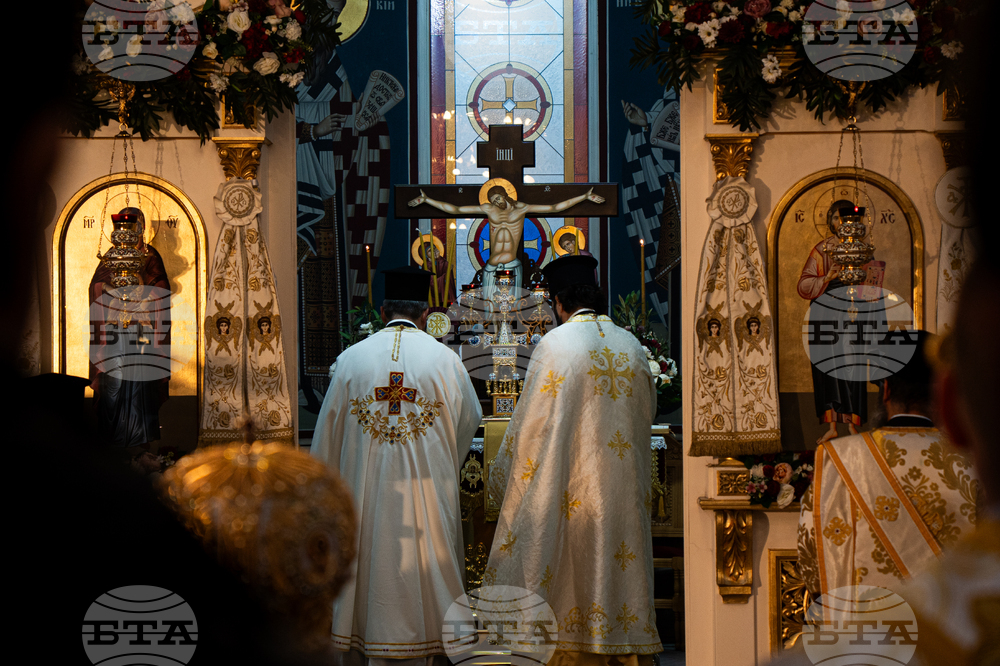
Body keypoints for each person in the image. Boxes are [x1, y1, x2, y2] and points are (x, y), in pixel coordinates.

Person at [483, 254, 662, 663]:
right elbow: (645, 413)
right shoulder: (631, 345)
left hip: (569, 497)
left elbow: (531, 426)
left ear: (558, 304)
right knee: (619, 575)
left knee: (564, 580)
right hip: (622, 497)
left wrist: (503, 473)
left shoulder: (555, 346)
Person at [310, 265, 482, 663]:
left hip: (363, 495)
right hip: (425, 492)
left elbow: (326, 437)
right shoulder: (446, 360)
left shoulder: (351, 361)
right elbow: (468, 421)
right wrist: (441, 461)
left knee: (368, 571)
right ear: (425, 314)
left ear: (383, 310)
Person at [797, 330, 980, 599]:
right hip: (950, 634)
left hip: (868, 633)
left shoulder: (838, 458)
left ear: (886, 390)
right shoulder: (973, 462)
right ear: (941, 393)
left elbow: (812, 565)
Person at [408, 179, 605, 300]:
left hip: (513, 264)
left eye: (498, 199)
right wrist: (427, 200)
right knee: (489, 311)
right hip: (491, 266)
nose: (496, 203)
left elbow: (555, 208)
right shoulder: (488, 209)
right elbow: (457, 210)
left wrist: (584, 197)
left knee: (514, 310)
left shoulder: (522, 209)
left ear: (505, 196)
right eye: (493, 201)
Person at [88, 206, 172, 450]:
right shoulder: (112, 256)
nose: (128, 231)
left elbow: (162, 289)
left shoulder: (149, 255)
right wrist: (109, 291)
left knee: (138, 389)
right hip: (113, 333)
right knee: (112, 388)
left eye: (133, 226)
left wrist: (143, 293)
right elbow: (96, 286)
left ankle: (138, 445)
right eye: (123, 228)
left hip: (140, 334)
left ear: (141, 228)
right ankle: (112, 444)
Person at [797, 201, 873, 444]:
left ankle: (851, 425)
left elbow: (872, 282)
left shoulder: (862, 250)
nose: (843, 224)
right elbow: (803, 285)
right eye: (838, 219)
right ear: (830, 221)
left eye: (848, 220)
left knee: (853, 366)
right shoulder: (822, 250)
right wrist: (827, 277)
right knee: (829, 370)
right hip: (825, 313)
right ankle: (832, 426)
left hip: (852, 313)